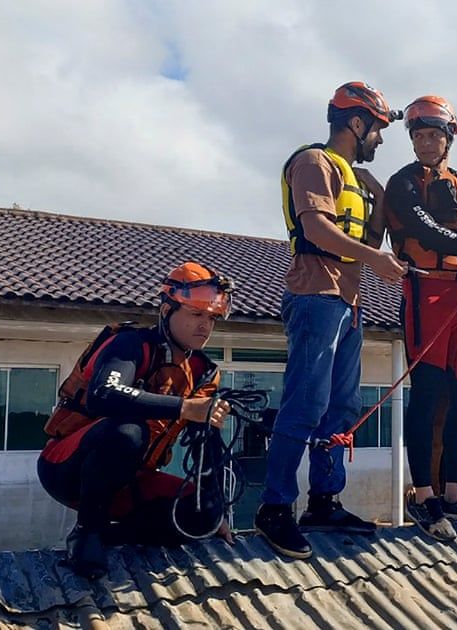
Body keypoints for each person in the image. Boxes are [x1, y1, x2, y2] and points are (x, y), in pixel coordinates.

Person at [256, 81, 408, 559]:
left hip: (349, 303)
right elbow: (317, 228)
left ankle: (324, 500)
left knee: (341, 408)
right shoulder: (314, 163)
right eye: (378, 130)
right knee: (306, 402)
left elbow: (384, 228)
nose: (380, 140)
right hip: (315, 296)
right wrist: (375, 259)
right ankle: (274, 507)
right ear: (356, 123)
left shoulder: (360, 180)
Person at [38, 261, 235, 579]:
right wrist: (184, 407)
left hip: (133, 480)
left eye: (212, 318)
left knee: (203, 515)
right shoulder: (132, 344)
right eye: (196, 315)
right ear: (167, 309)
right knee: (129, 432)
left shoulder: (204, 371)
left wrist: (215, 511)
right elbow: (104, 393)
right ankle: (87, 533)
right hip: (68, 467)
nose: (205, 326)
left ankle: (113, 537)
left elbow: (206, 443)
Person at [383, 95, 457, 541]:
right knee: (428, 396)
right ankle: (423, 495)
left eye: (434, 134)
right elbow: (422, 229)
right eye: (418, 135)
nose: (426, 142)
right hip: (426, 293)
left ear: (449, 137)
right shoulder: (403, 183)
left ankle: (456, 493)